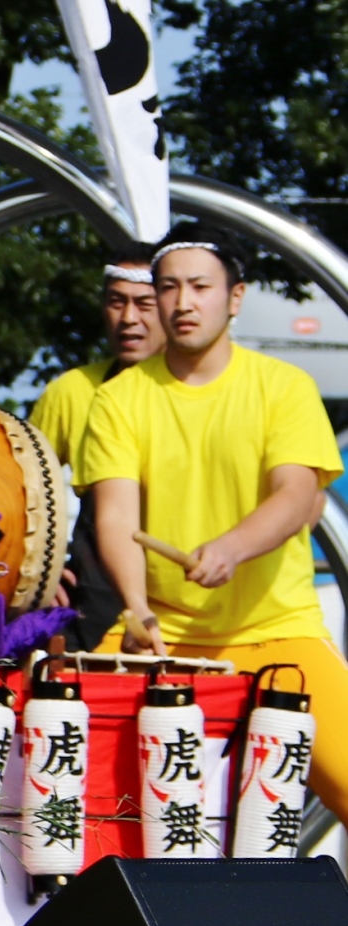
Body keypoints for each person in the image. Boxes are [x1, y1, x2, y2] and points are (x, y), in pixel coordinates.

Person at [81, 222, 348, 824]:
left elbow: (295, 495)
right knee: (68, 772)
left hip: (279, 628)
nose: (182, 302)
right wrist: (137, 608)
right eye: (169, 288)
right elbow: (117, 516)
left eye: (199, 286)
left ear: (235, 297)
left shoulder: (284, 387)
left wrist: (229, 548)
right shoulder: (119, 399)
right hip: (159, 632)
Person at [31, 248, 162, 649]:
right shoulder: (71, 390)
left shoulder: (207, 394)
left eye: (144, 303)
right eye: (116, 301)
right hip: (95, 606)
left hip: (192, 606)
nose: (128, 318)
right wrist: (38, 572)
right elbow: (21, 492)